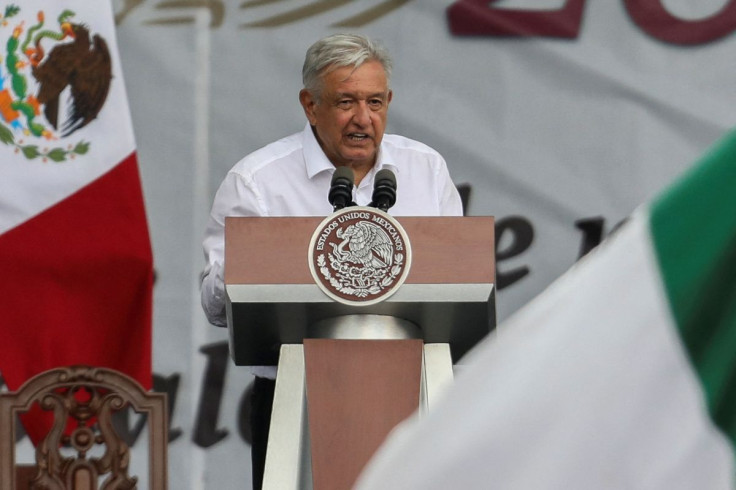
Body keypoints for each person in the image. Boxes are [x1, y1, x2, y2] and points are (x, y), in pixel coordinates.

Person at [200, 33, 463, 490]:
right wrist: (255, 264)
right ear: (310, 104)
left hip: (413, 392)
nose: (363, 119)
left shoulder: (426, 170)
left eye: (375, 103)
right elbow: (214, 306)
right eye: (346, 102)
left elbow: (460, 278)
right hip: (295, 395)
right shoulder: (258, 181)